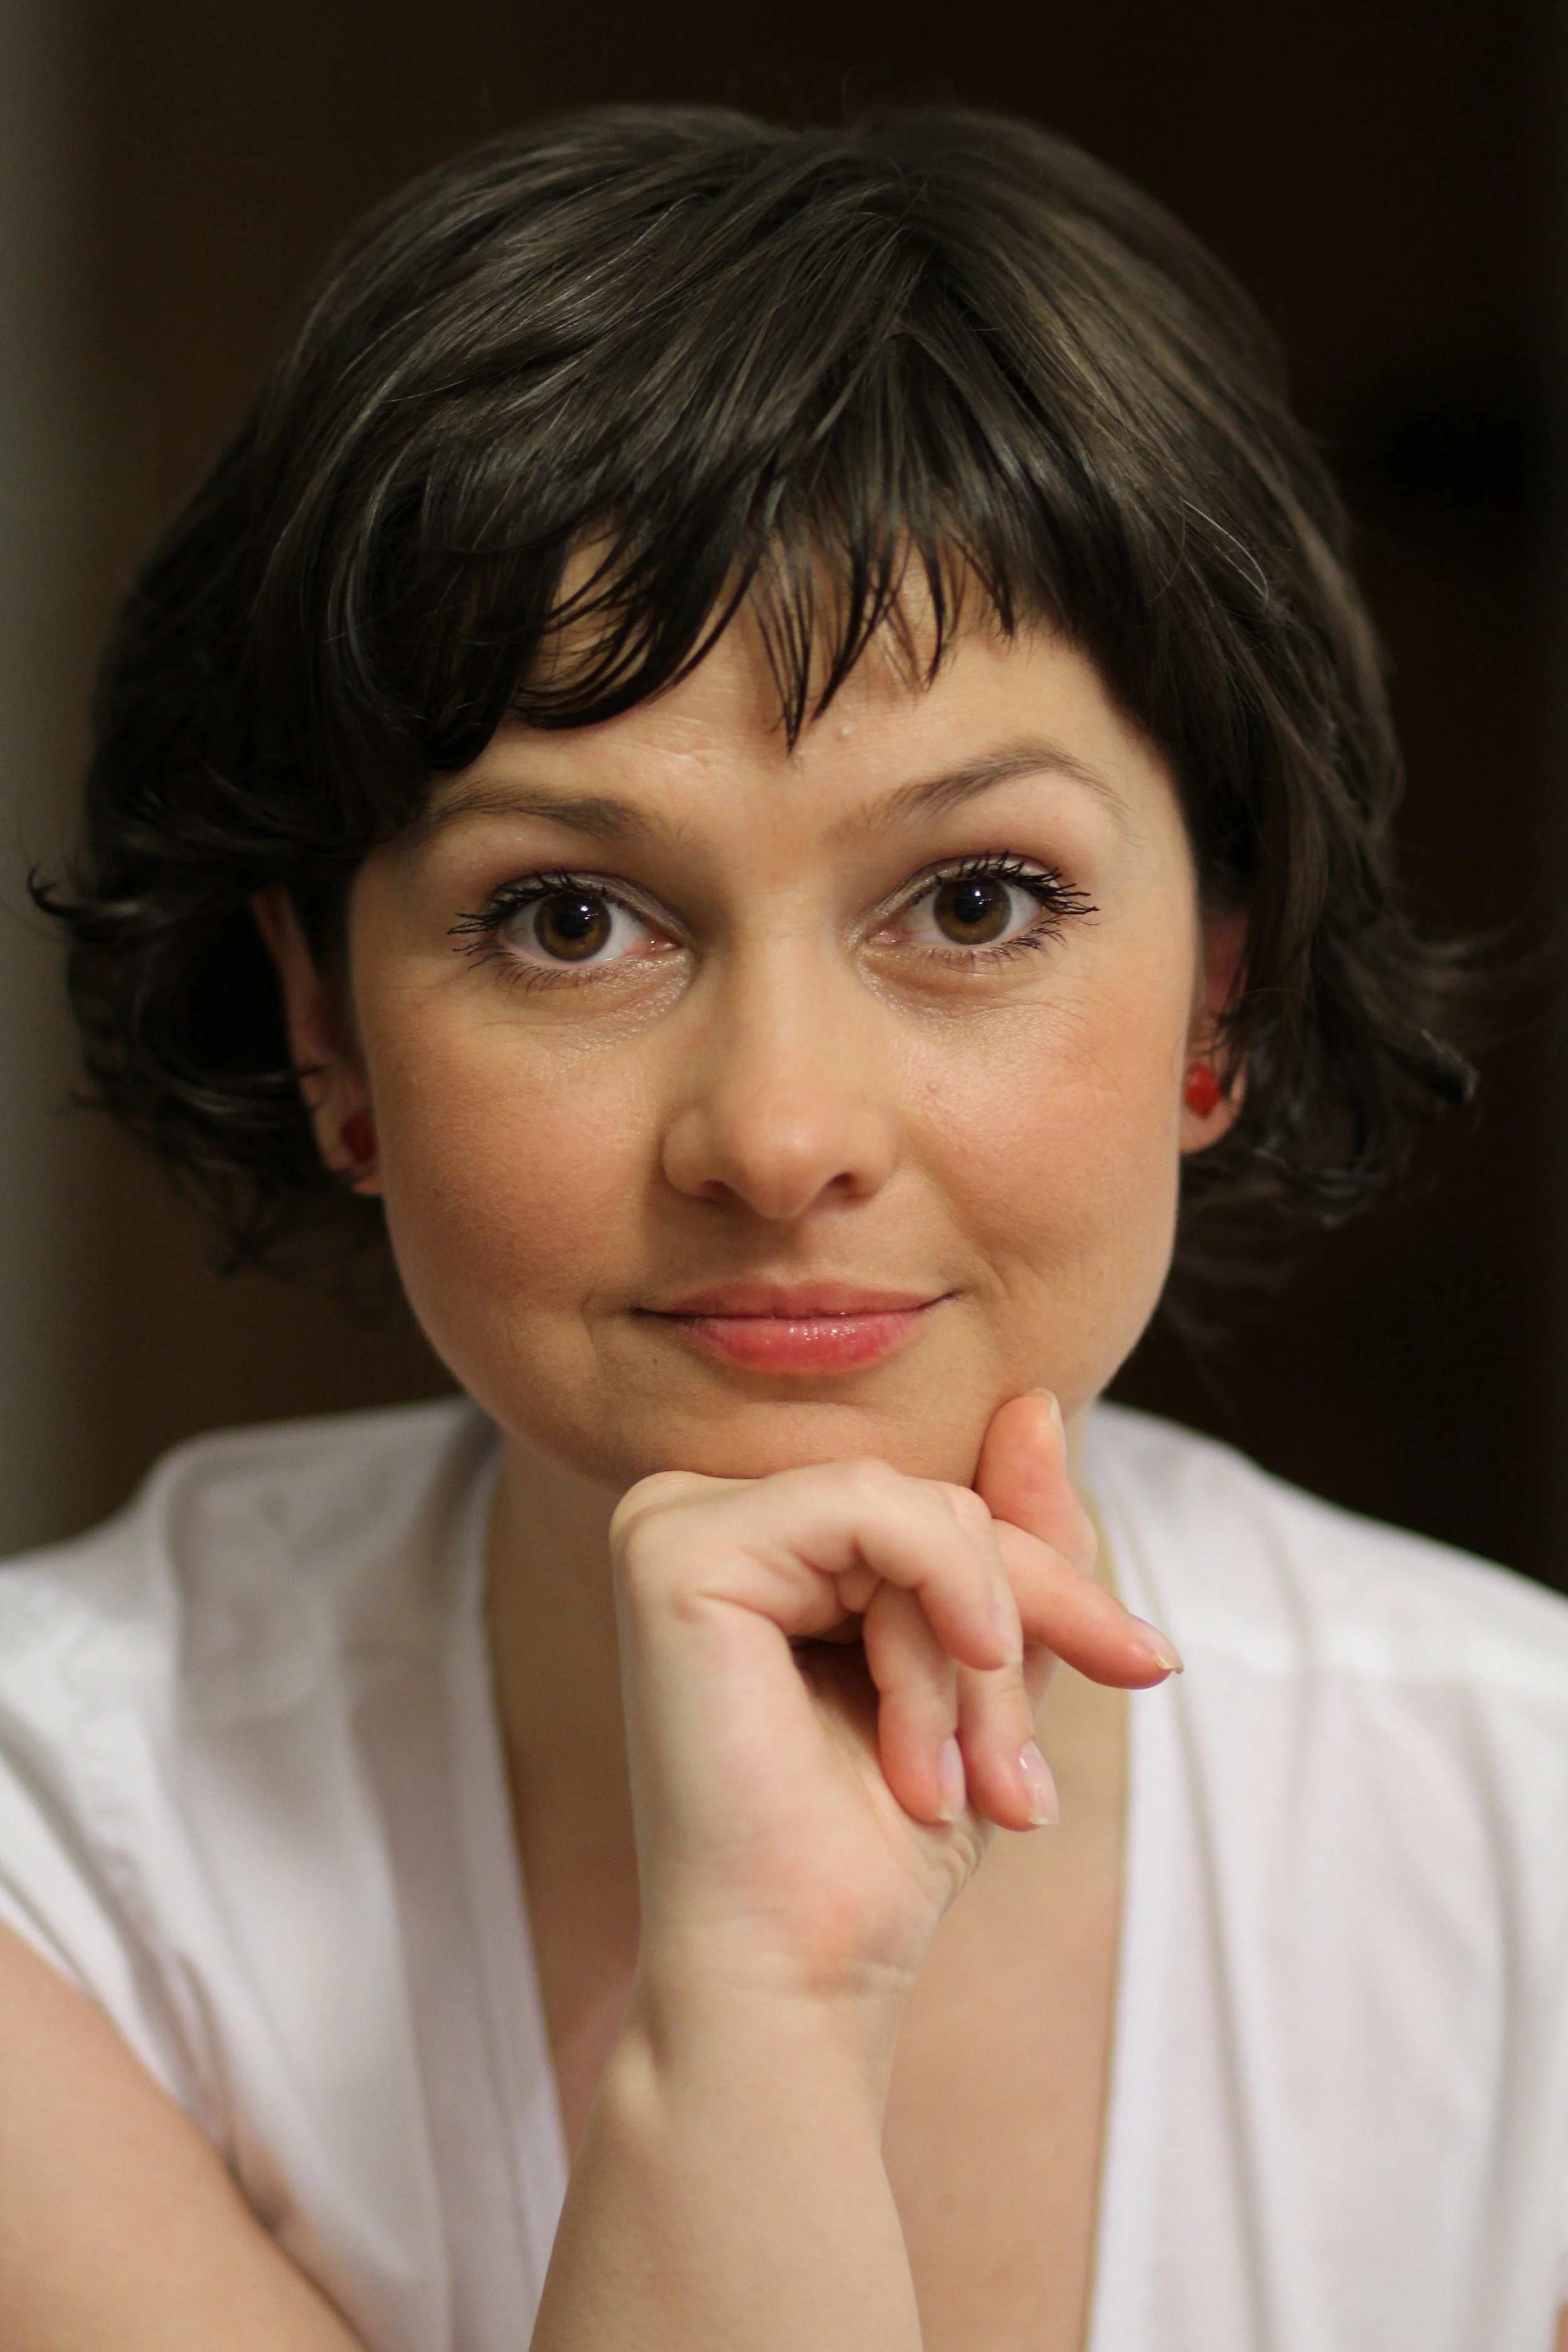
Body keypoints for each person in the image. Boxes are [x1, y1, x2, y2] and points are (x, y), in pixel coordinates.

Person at [1, 102, 1564, 2352]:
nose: (776, 1132)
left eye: (974, 902)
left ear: (1216, 995)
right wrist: (754, 2008)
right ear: (326, 1024)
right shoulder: (55, 1858)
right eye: (568, 917)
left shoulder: (1527, 1836)